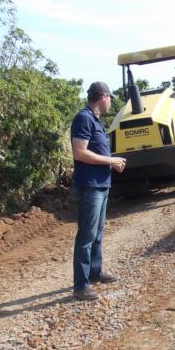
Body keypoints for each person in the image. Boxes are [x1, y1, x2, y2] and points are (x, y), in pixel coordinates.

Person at [70, 81, 127, 301]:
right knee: (87, 235)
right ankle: (81, 285)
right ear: (103, 96)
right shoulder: (84, 118)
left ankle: (95, 271)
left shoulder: (95, 120)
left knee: (98, 232)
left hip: (101, 185)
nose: (111, 102)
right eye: (110, 98)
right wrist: (110, 161)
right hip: (90, 186)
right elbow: (79, 152)